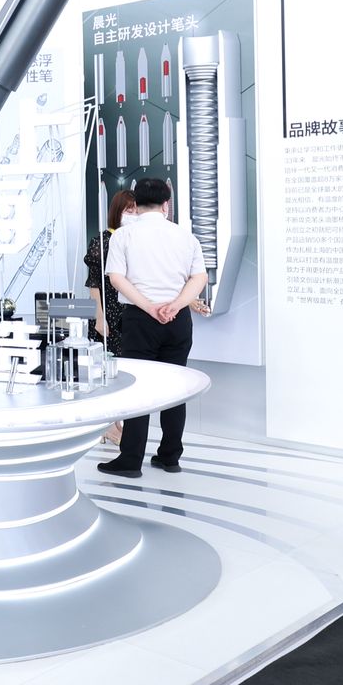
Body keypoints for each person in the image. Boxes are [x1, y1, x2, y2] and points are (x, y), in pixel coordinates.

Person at [99, 177, 208, 478]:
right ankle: (170, 457)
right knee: (176, 386)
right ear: (166, 204)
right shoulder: (185, 236)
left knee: (138, 390)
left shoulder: (123, 236)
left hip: (139, 319)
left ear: (135, 205)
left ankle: (131, 460)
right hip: (177, 321)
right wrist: (175, 305)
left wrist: (149, 307)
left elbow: (116, 279)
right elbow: (199, 278)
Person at [84, 188, 138, 446]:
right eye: (129, 209)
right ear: (118, 211)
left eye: (136, 209)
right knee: (107, 374)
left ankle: (117, 424)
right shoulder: (102, 241)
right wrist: (99, 317)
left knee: (126, 373)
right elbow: (94, 284)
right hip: (107, 315)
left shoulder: (137, 240)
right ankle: (109, 426)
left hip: (131, 315)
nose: (134, 214)